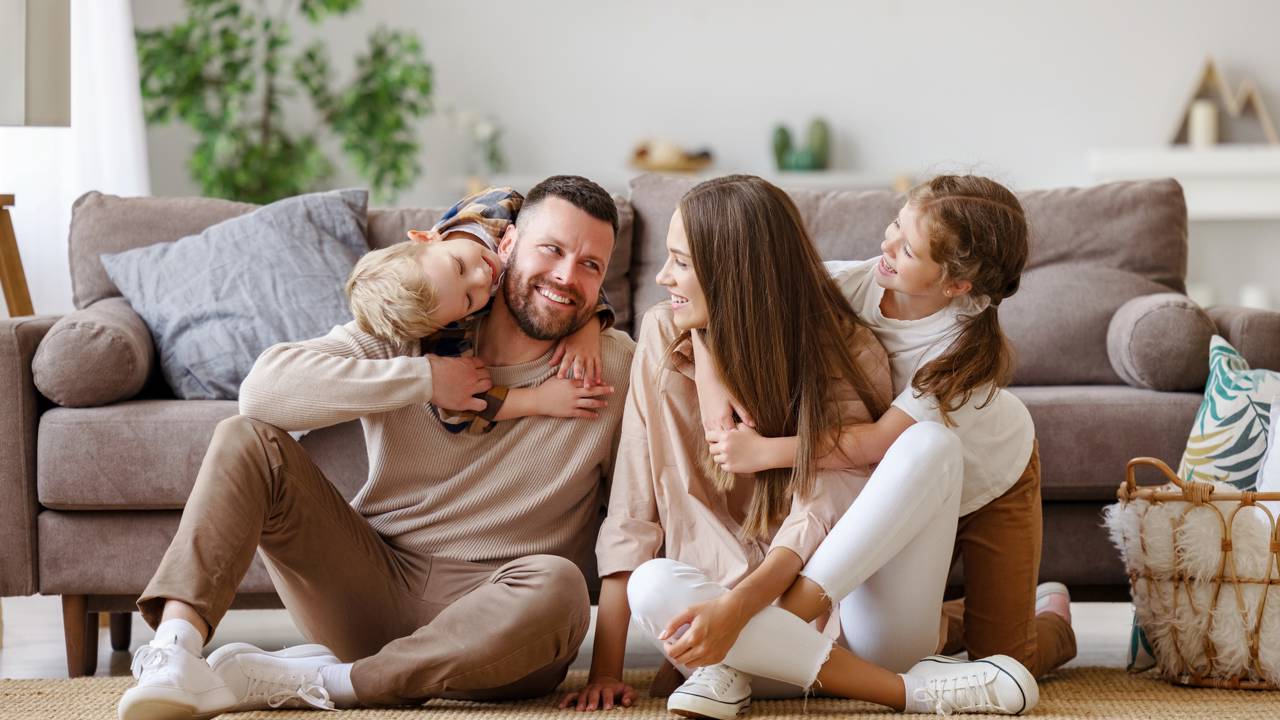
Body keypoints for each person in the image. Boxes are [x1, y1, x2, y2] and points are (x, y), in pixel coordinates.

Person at [118, 175, 635, 720]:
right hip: (374, 580)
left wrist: (609, 669)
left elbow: (633, 517)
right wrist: (423, 379)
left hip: (502, 618)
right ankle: (174, 654)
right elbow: (262, 393)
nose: (565, 276)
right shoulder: (422, 319)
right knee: (245, 439)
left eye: (590, 265)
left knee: (561, 585)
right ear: (506, 247)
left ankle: (324, 681)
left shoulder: (615, 365)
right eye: (551, 249)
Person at [563, 175, 1038, 719]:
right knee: (653, 584)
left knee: (1007, 646)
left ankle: (1008, 638)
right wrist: (606, 671)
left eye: (682, 263)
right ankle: (895, 682)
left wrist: (745, 604)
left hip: (924, 514)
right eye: (895, 228)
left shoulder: (880, 348)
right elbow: (631, 508)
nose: (662, 277)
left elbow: (854, 469)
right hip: (733, 628)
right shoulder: (830, 290)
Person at [345, 186, 615, 434]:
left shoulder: (499, 206)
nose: (482, 277)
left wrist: (588, 327)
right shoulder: (448, 326)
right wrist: (537, 400)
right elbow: (459, 411)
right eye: (468, 299)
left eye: (459, 266)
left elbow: (572, 250)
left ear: (427, 238)